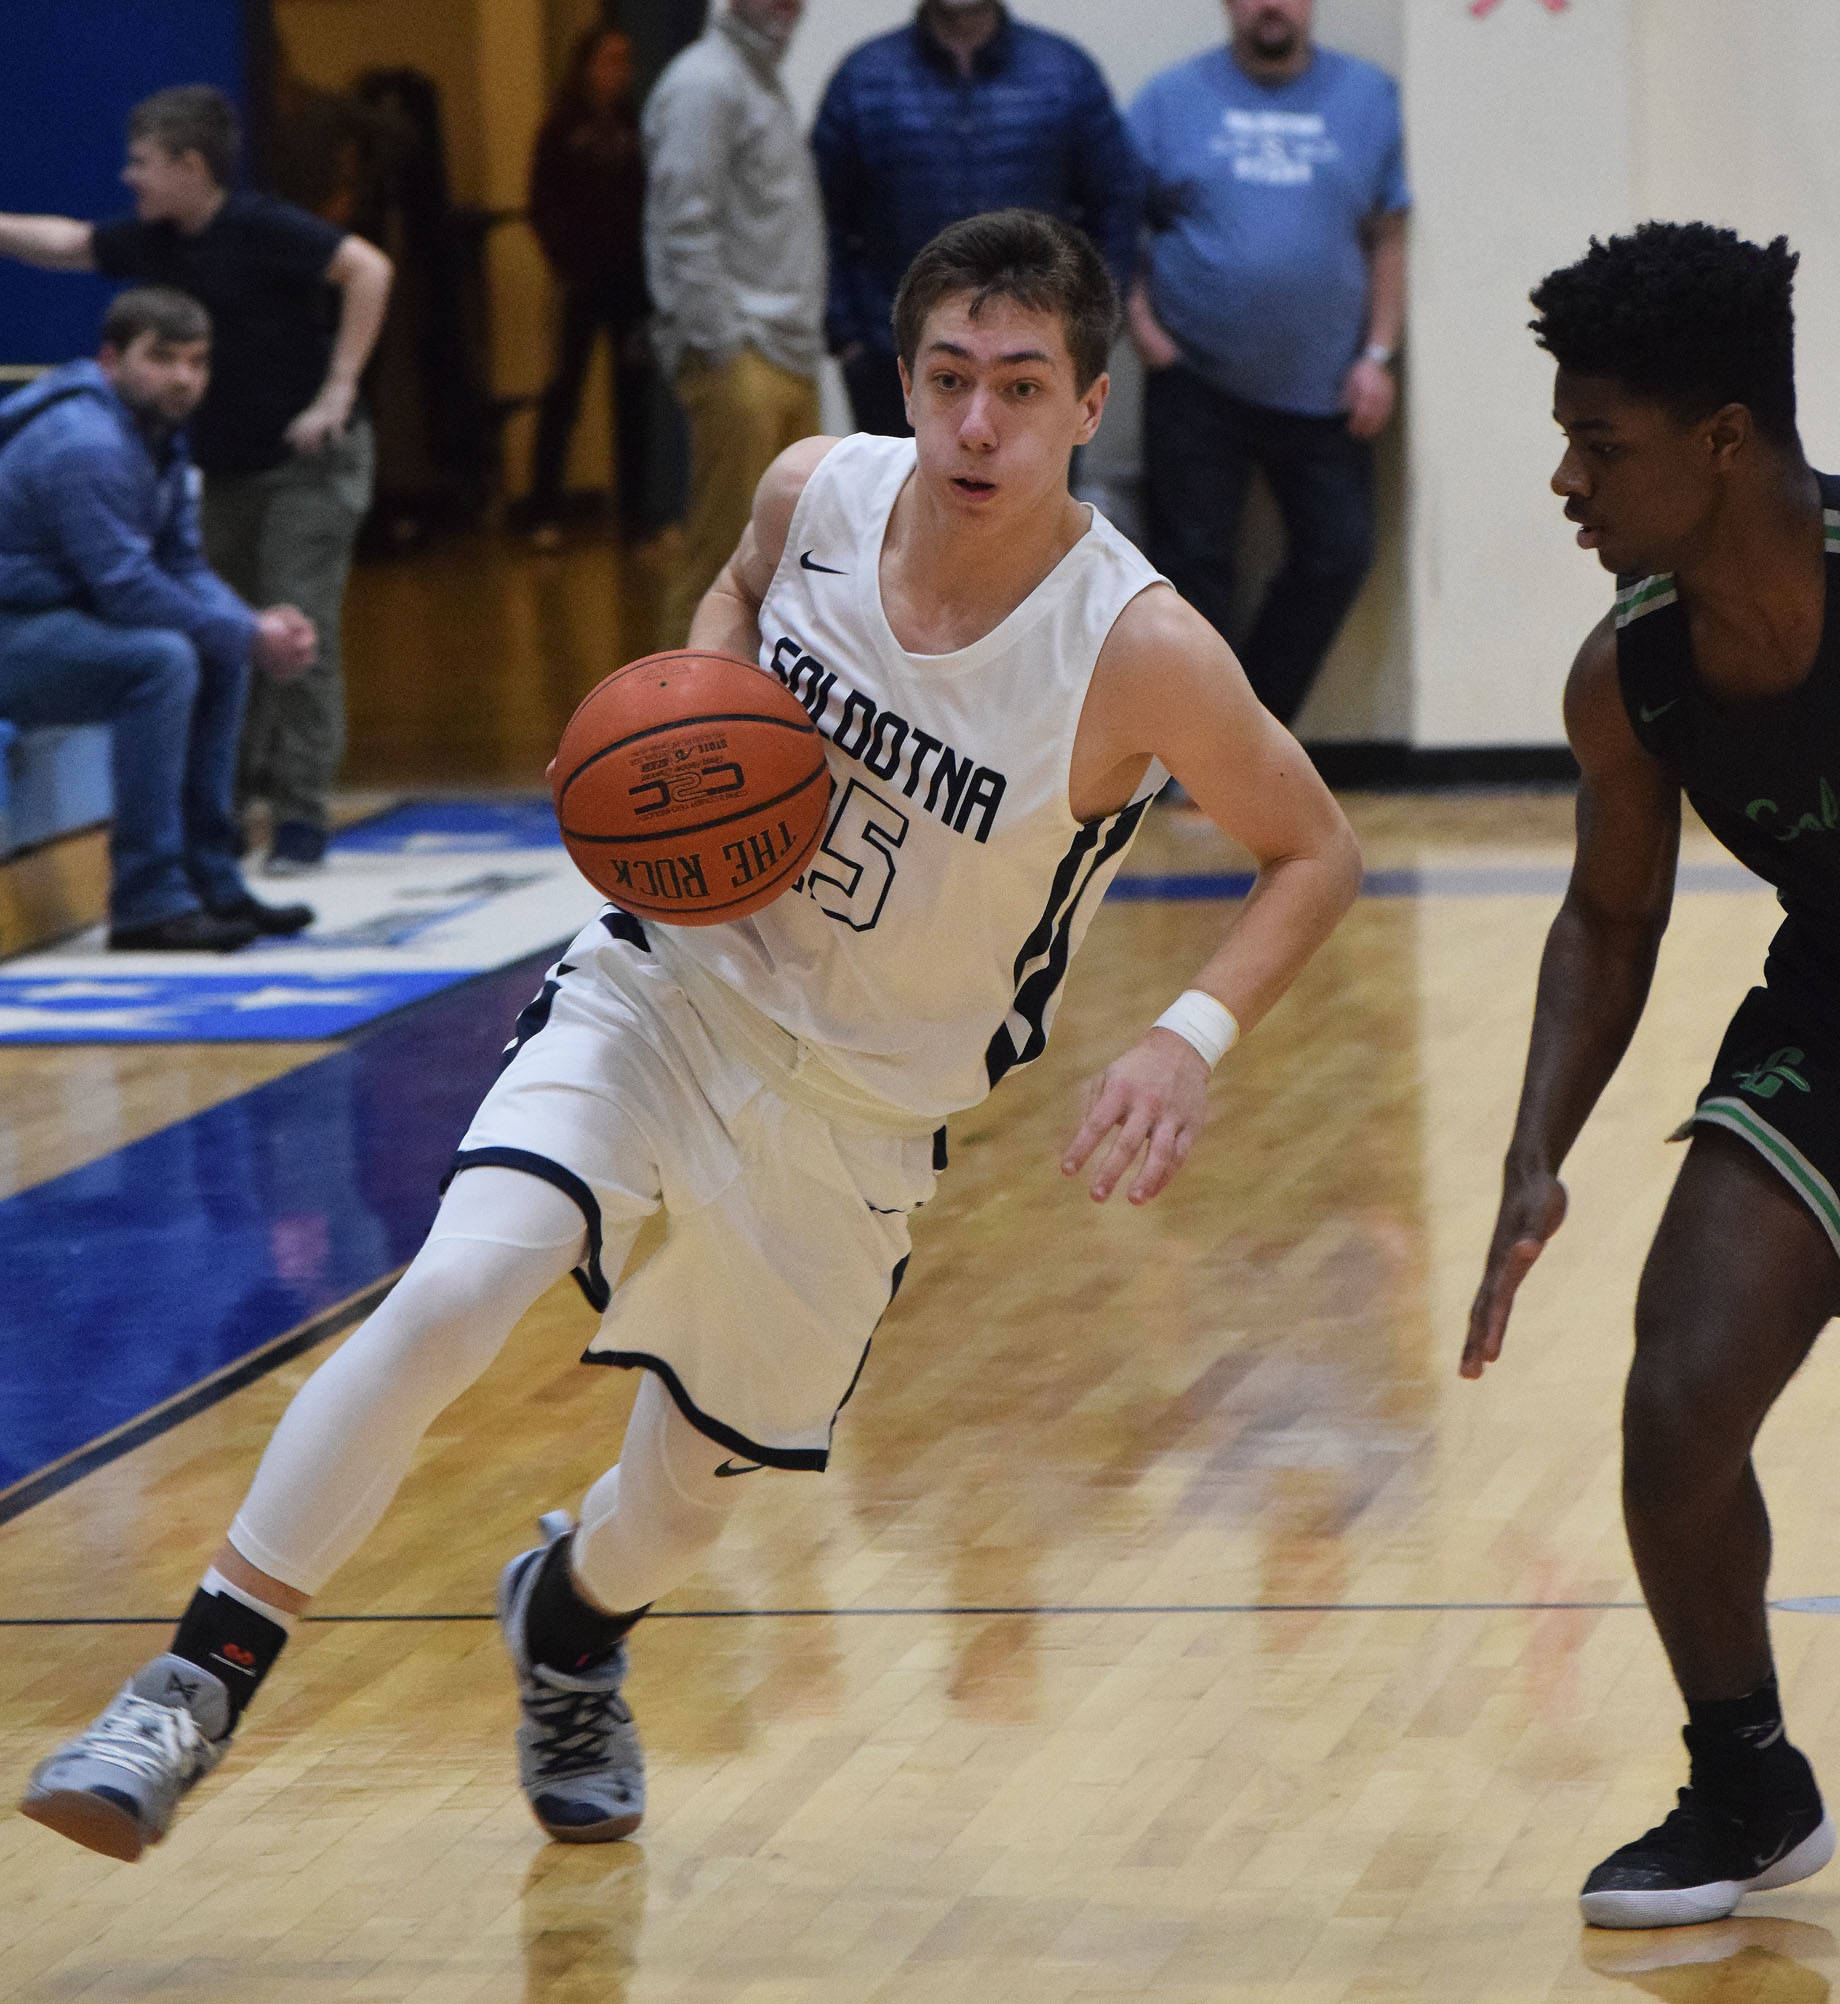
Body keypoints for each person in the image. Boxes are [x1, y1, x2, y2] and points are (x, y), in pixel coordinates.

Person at [19, 208, 1360, 1863]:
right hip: (671, 986)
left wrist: (1185, 1034)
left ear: (1092, 405)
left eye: (1022, 386)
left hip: (865, 1110)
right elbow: (729, 592)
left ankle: (568, 1624)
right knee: (450, 1287)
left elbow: (1318, 846)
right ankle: (193, 1679)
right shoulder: (813, 491)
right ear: (906, 373)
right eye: (947, 377)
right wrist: (700, 732)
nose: (976, 423)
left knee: (677, 1500)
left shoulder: (1138, 650)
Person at [1465, 220, 1840, 1928]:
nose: (1566, 476)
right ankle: (1749, 1784)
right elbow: (1608, 919)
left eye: (1598, 441)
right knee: (1679, 1390)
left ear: (1724, 441)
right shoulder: (1632, 676)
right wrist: (1535, 1148)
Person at [0, 85, 394, 876]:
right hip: (229, 471)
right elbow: (67, 243)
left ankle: (299, 815)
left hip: (307, 466)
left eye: (142, 162)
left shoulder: (264, 227)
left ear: (189, 163)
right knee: (223, 625)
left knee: (294, 623)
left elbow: (367, 269)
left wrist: (338, 390)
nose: (128, 177)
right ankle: (224, 809)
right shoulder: (156, 241)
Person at [0, 289, 316, 952]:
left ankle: (211, 882)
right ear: (110, 358)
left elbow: (182, 564)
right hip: (17, 629)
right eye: (162, 359)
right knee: (162, 659)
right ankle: (148, 902)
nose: (183, 378)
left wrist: (251, 626)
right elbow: (127, 589)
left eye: (197, 362)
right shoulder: (84, 442)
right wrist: (248, 635)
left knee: (213, 649)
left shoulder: (152, 433)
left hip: (54, 621)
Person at [1126, 0, 1408, 727]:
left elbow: (1389, 235)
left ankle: (1250, 734)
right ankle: (1200, 753)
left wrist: (1379, 353)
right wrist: (1144, 331)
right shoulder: (1168, 99)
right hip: (1194, 381)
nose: (1270, 6)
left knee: (1339, 554)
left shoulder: (1369, 97)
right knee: (1191, 573)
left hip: (1329, 387)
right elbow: (1116, 224)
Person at [812, 0, 1142, 439]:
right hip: (891, 362)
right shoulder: (862, 79)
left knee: (1031, 507)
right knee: (899, 505)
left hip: (1036, 366)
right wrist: (847, 336)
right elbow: (819, 217)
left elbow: (1117, 202)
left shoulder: (1066, 74)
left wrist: (1095, 330)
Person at [643, 0, 825, 649]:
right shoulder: (704, 81)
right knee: (723, 561)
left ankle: (760, 730)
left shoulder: (758, 80)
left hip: (785, 355)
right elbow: (680, 224)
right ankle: (674, 727)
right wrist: (725, 346)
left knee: (791, 560)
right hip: (742, 359)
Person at [521, 24, 652, 548]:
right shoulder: (561, 127)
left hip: (631, 282)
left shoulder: (635, 123)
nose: (616, 72)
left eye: (624, 61)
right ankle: (542, 511)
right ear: (585, 65)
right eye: (607, 60)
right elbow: (541, 203)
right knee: (564, 395)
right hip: (581, 281)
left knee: (633, 400)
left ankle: (637, 521)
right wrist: (564, 262)